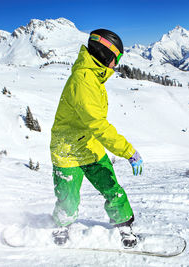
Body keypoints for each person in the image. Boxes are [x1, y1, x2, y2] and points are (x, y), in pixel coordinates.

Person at [49, 29, 143, 248]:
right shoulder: (83, 81)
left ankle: (123, 223)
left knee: (112, 187)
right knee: (68, 197)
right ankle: (62, 223)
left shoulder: (93, 77)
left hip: (89, 145)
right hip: (67, 149)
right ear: (104, 54)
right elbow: (98, 123)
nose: (115, 65)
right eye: (116, 59)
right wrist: (128, 151)